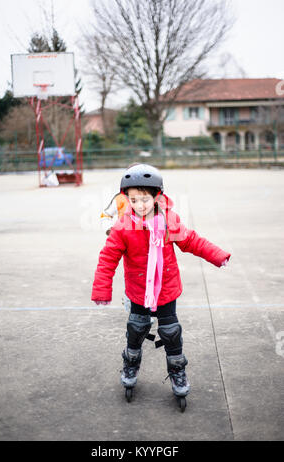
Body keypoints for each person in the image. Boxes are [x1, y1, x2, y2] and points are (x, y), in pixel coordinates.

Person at [91, 164, 231, 400]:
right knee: (136, 329)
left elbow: (193, 241)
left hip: (166, 290)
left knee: (170, 332)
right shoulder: (123, 227)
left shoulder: (168, 222)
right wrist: (101, 289)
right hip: (138, 291)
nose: (139, 205)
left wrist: (217, 256)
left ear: (157, 196)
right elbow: (107, 258)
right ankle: (131, 364)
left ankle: (177, 371)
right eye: (133, 200)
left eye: (144, 199)